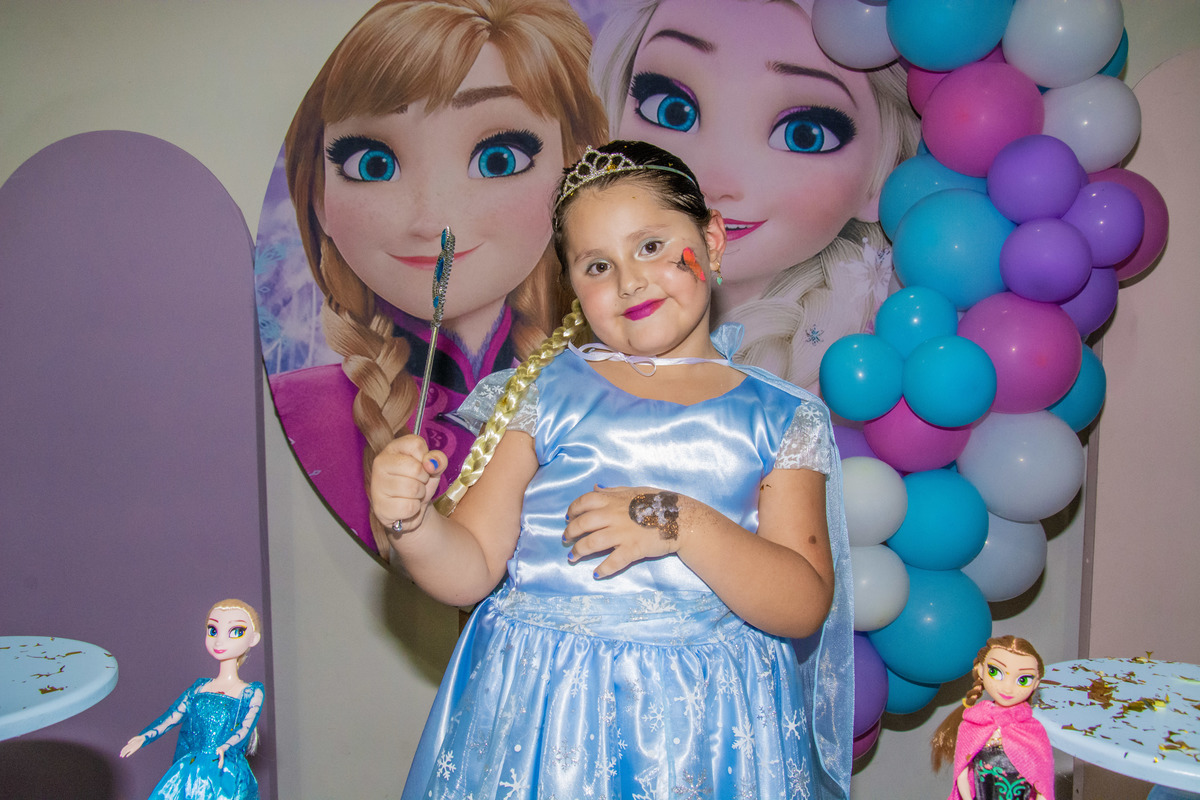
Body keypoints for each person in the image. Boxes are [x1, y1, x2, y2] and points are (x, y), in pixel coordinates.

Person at [371, 140, 852, 798]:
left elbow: (803, 605)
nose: (629, 281)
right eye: (598, 265)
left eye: (651, 246)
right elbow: (472, 567)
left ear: (711, 242)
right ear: (571, 285)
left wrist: (679, 520)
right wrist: (412, 523)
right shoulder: (546, 392)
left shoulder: (778, 417)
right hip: (544, 718)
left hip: (704, 727)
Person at [273, 0, 608, 556]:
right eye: (373, 163)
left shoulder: (620, 396)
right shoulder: (305, 414)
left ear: (574, 169)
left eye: (498, 158)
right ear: (318, 196)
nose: (432, 219)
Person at [589, 0, 920, 390]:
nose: (711, 181)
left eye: (803, 134)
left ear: (888, 172)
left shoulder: (870, 361)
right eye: (672, 110)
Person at [120, 599, 266, 800]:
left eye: (235, 632)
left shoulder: (250, 692)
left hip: (224, 772)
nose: (219, 641)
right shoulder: (199, 688)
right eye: (213, 631)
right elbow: (172, 717)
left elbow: (244, 728)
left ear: (253, 638)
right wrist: (144, 737)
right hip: (191, 771)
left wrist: (226, 746)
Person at [931, 635, 1055, 800]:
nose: (1008, 688)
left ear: (1036, 683)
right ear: (981, 670)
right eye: (995, 672)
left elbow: (1043, 786)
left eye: (1023, 679)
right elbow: (961, 774)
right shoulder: (973, 724)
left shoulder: (1033, 732)